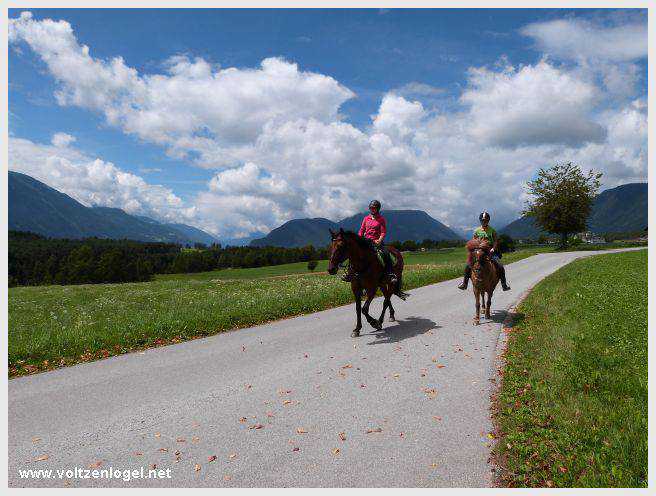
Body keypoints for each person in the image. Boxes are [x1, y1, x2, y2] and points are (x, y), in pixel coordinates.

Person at [342, 200, 397, 284]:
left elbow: (383, 232)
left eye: (374, 208)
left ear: (378, 209)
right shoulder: (366, 218)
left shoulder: (381, 219)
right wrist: (359, 239)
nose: (372, 209)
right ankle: (350, 274)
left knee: (385, 253)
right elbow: (361, 230)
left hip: (376, 241)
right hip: (366, 241)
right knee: (354, 253)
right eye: (371, 208)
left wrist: (380, 240)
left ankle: (391, 274)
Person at [458, 211, 511, 291]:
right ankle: (464, 283)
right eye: (482, 220)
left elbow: (496, 241)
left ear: (488, 220)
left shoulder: (492, 231)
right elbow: (473, 241)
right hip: (479, 251)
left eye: (486, 220)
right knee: (468, 265)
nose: (484, 221)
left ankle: (504, 284)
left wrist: (493, 248)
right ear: (480, 220)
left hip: (490, 251)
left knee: (499, 265)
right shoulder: (477, 231)